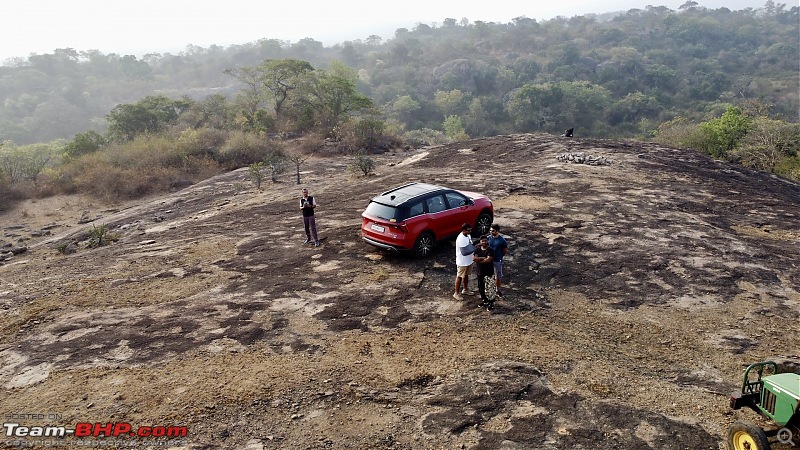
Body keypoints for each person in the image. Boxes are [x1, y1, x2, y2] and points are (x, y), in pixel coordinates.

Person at [473, 235, 495, 310]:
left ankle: (491, 303)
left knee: (490, 288)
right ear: (480, 242)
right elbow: (474, 258)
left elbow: (488, 260)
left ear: (487, 241)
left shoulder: (491, 250)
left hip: (489, 272)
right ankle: (484, 300)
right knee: (481, 288)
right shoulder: (477, 249)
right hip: (480, 272)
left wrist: (479, 261)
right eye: (483, 241)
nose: (484, 242)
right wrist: (483, 258)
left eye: (485, 241)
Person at [487, 224, 509, 298]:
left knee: (498, 276)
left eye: (493, 231)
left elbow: (505, 251)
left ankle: (497, 290)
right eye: (490, 230)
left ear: (497, 231)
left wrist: (499, 256)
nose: (491, 232)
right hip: (489, 260)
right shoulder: (488, 238)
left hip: (497, 260)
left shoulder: (502, 241)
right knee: (489, 276)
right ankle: (489, 289)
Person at [453, 223, 474, 300]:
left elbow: (470, 244)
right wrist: (474, 249)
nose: (470, 231)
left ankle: (465, 289)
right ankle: (456, 293)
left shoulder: (468, 235)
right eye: (468, 230)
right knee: (459, 276)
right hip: (462, 262)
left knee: (466, 275)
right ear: (464, 230)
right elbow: (464, 252)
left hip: (469, 260)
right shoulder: (460, 238)